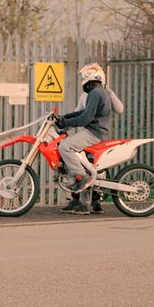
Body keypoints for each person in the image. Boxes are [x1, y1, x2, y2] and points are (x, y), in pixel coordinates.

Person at [56, 63, 123, 215]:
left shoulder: (95, 94)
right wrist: (65, 117)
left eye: (84, 77)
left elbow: (85, 117)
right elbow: (83, 112)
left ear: (90, 77)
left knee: (65, 147)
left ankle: (81, 178)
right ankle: (84, 204)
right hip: (97, 132)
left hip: (93, 132)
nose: (83, 81)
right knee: (85, 164)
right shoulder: (102, 92)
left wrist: (65, 123)